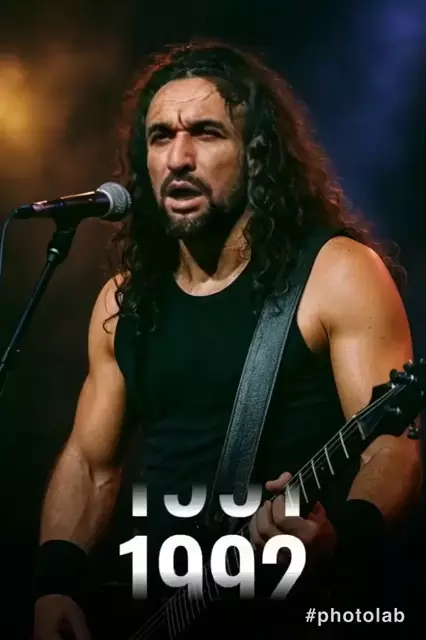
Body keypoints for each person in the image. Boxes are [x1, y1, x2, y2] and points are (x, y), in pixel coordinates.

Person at [33, 41, 421, 640]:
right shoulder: (124, 300)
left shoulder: (335, 273)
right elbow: (90, 463)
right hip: (159, 613)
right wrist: (56, 583)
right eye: (161, 137)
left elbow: (393, 445)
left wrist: (341, 534)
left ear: (257, 155)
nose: (178, 158)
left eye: (206, 133)